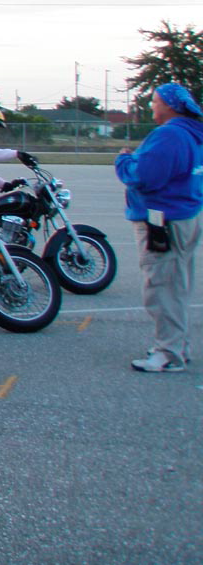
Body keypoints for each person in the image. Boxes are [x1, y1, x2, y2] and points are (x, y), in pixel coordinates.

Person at [115, 83, 203, 373]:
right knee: (176, 286)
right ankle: (177, 346)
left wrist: (124, 159)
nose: (151, 106)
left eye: (154, 101)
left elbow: (144, 177)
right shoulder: (192, 133)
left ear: (170, 106)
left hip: (162, 222)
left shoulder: (170, 135)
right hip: (184, 217)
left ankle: (168, 354)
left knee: (161, 288)